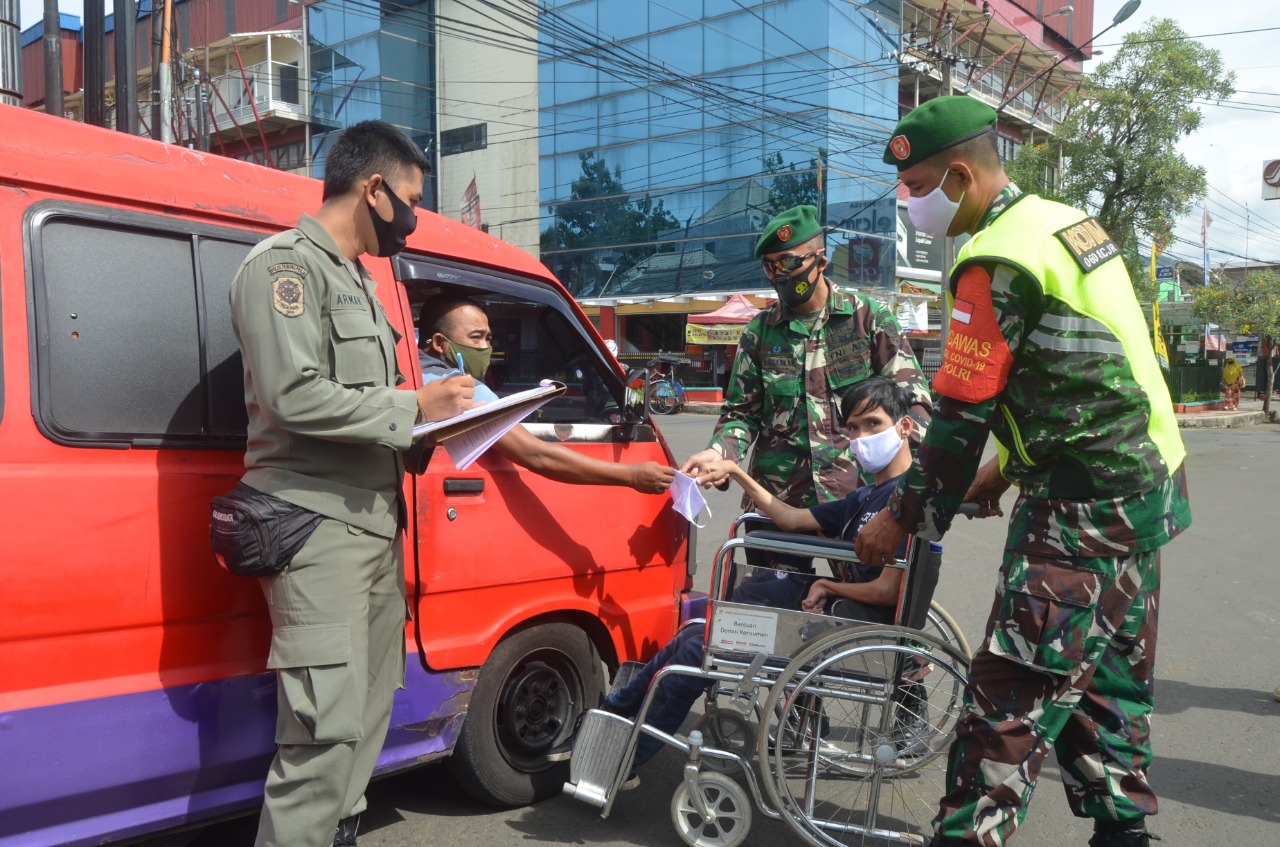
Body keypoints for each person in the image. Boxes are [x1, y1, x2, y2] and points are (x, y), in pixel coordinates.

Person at [856, 97, 1192, 847]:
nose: (908, 205)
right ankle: (1124, 834)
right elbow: (1079, 372)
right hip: (1145, 492)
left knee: (1007, 700)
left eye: (914, 188)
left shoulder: (995, 260)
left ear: (962, 175)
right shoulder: (1067, 225)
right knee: (1105, 683)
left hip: (1079, 514)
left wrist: (899, 516)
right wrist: (1003, 473)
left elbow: (954, 422)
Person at [230, 121, 477, 847]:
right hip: (317, 529)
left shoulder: (360, 282)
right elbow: (292, 395)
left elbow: (366, 414)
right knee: (321, 738)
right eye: (410, 200)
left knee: (365, 719)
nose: (413, 217)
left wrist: (434, 427)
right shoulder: (284, 268)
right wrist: (415, 406)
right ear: (374, 189)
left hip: (373, 526)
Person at [601, 376, 917, 777]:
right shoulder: (865, 497)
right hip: (837, 611)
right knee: (705, 626)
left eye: (873, 424)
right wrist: (733, 470)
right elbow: (789, 516)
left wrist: (826, 584)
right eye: (853, 428)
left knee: (697, 648)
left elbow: (891, 588)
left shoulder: (904, 503)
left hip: (854, 625)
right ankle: (616, 712)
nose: (860, 437)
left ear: (904, 426)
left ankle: (623, 757)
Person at [681, 204, 932, 568]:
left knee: (855, 608)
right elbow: (741, 415)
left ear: (820, 261)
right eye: (769, 266)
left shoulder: (868, 319)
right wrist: (720, 453)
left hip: (854, 499)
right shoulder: (760, 332)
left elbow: (915, 404)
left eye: (788, 263)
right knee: (770, 608)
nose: (778, 274)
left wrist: (902, 493)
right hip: (777, 500)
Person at [416, 295, 675, 493]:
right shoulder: (458, 387)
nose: (486, 347)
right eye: (476, 338)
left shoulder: (408, 371)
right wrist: (632, 476)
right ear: (439, 343)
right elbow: (535, 455)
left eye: (489, 338)